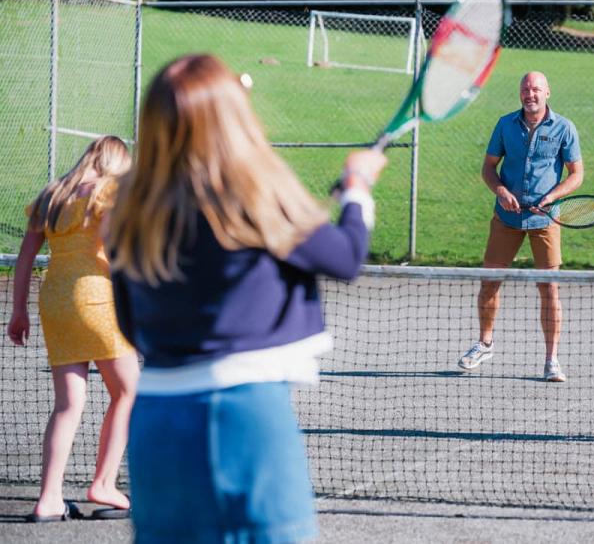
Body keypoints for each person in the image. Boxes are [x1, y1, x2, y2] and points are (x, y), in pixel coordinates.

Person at [105, 54, 386, 543]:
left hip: (155, 423)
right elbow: (345, 258)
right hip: (244, 416)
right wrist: (357, 191)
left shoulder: (132, 210)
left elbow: (130, 326)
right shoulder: (256, 192)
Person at [6, 135, 139, 522]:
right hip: (95, 297)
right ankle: (104, 483)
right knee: (129, 390)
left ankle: (49, 499)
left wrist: (18, 311)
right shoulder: (111, 191)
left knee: (67, 405)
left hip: (55, 301)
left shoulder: (52, 195)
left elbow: (25, 259)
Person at [458, 71, 583, 382]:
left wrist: (552, 196)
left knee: (549, 288)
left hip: (545, 221)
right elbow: (488, 168)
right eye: (526, 89)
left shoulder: (564, 128)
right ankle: (484, 344)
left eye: (536, 89)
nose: (531, 94)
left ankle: (552, 360)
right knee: (489, 282)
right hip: (507, 218)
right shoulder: (505, 125)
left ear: (547, 92)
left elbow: (576, 174)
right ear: (520, 94)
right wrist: (500, 191)